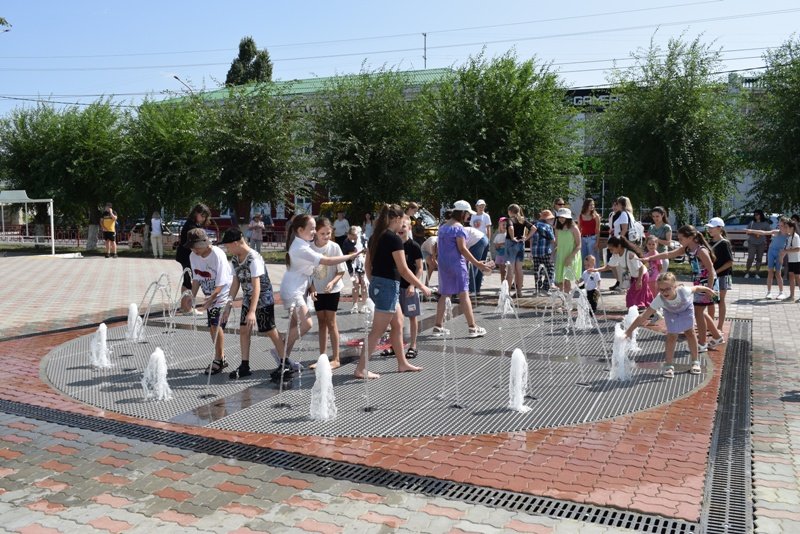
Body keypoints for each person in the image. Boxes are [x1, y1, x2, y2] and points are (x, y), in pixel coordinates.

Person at [355, 204, 431, 379]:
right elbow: (403, 269)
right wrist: (422, 286)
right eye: (403, 220)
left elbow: (369, 265)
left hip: (381, 285)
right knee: (377, 331)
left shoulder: (376, 236)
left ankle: (402, 363)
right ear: (396, 219)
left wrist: (374, 281)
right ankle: (360, 369)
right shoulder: (394, 239)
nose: (403, 225)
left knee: (397, 323)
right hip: (388, 287)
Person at [280, 214, 362, 374]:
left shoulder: (312, 245)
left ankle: (286, 358)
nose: (316, 233)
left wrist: (329, 283)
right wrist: (351, 256)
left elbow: (336, 268)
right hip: (303, 290)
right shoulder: (304, 247)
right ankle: (284, 350)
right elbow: (323, 263)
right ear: (302, 230)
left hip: (319, 290)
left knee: (324, 323)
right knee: (313, 324)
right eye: (314, 230)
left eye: (327, 233)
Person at [218, 228, 286, 379]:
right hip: (249, 298)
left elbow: (257, 287)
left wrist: (252, 311)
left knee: (269, 330)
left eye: (228, 245)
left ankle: (285, 364)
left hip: (263, 298)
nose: (227, 249)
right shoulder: (235, 259)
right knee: (244, 330)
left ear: (236, 243)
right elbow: (235, 284)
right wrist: (228, 306)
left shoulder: (253, 258)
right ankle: (244, 365)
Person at [644, 225, 725, 351]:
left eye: (681, 238)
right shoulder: (688, 249)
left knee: (698, 312)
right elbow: (669, 254)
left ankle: (702, 343)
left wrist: (709, 289)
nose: (679, 241)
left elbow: (711, 271)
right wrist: (649, 258)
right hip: (699, 283)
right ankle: (716, 336)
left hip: (707, 284)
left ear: (691, 237)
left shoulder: (701, 251)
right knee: (700, 312)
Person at [625, 272, 718, 378]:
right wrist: (628, 331)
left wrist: (708, 290)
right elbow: (644, 316)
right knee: (672, 335)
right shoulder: (660, 299)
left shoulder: (683, 291)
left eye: (667, 289)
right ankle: (669, 365)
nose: (664, 292)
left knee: (690, 332)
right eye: (661, 290)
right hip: (671, 313)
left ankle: (695, 362)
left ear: (675, 286)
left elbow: (696, 288)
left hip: (686, 309)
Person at [432, 201, 492, 338]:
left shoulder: (442, 228)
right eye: (467, 214)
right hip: (457, 265)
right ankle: (472, 327)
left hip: (443, 264)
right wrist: (478, 263)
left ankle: (438, 326)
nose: (468, 217)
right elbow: (462, 249)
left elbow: (439, 247)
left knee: (444, 294)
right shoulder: (459, 229)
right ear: (462, 213)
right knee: (464, 294)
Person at [186, 228, 233, 375]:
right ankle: (221, 357)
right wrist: (191, 296)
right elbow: (197, 279)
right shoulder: (193, 256)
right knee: (212, 328)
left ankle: (218, 359)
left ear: (206, 243)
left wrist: (211, 299)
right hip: (209, 296)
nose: (194, 249)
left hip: (222, 294)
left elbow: (221, 283)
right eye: (192, 247)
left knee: (216, 324)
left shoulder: (218, 255)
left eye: (196, 246)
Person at [309, 217, 347, 369]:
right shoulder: (309, 248)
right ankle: (323, 358)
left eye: (328, 233)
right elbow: (307, 273)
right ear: (315, 233)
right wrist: (311, 289)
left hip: (332, 289)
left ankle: (336, 358)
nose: (326, 236)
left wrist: (332, 282)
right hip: (317, 290)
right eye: (322, 233)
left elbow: (341, 270)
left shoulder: (334, 247)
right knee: (321, 322)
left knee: (331, 322)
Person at [591, 236, 653, 310]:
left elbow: (641, 267)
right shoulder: (616, 255)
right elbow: (608, 267)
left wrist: (639, 280)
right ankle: (651, 310)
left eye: (612, 249)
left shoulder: (630, 254)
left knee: (631, 295)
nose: (610, 251)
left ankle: (636, 310)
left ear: (619, 246)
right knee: (645, 294)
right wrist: (595, 270)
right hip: (634, 277)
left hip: (642, 275)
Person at [176, 203, 211, 314]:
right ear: (196, 213)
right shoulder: (191, 226)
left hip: (184, 255)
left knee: (187, 280)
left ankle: (184, 307)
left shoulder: (192, 223)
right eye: (203, 215)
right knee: (189, 281)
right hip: (187, 256)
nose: (204, 218)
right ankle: (187, 308)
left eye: (205, 216)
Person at [398, 215, 423, 360]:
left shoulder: (414, 246)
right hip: (396, 286)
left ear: (409, 228)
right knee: (395, 319)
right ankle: (396, 345)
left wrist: (413, 284)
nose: (401, 228)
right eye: (399, 226)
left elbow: (419, 268)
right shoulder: (394, 245)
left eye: (404, 226)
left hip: (409, 288)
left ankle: (413, 345)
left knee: (412, 317)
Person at [746, 217, 790, 299]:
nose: (779, 226)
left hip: (780, 254)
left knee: (778, 273)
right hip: (771, 252)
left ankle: (781, 292)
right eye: (779, 225)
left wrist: (782, 256)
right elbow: (764, 232)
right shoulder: (777, 232)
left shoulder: (789, 235)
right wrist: (751, 231)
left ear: (786, 226)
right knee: (770, 272)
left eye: (781, 225)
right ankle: (769, 292)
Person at [706, 218, 734, 329]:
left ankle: (720, 326)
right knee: (710, 301)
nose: (709, 230)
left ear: (719, 228)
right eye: (709, 227)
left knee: (720, 300)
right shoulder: (709, 242)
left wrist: (715, 272)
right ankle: (710, 325)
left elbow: (730, 262)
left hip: (723, 276)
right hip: (712, 276)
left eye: (712, 227)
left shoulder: (724, 243)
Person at [505, 204, 532, 298]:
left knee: (510, 270)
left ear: (510, 211)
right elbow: (534, 228)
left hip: (511, 244)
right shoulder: (523, 219)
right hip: (521, 244)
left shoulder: (510, 219)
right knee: (519, 270)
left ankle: (507, 292)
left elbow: (510, 228)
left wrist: (512, 237)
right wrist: (527, 238)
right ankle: (519, 292)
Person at [554, 208, 582, 293]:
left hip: (571, 255)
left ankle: (568, 303)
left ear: (568, 218)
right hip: (561, 255)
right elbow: (558, 243)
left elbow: (579, 245)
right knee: (560, 282)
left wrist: (570, 257)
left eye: (563, 217)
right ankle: (563, 303)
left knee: (567, 281)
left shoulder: (573, 228)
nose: (561, 219)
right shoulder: (557, 228)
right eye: (559, 217)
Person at [341, 225, 368, 313]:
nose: (354, 238)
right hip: (352, 266)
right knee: (355, 284)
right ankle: (355, 304)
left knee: (364, 283)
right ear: (349, 235)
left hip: (363, 265)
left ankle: (364, 305)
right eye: (352, 236)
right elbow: (345, 256)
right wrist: (352, 256)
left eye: (356, 236)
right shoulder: (346, 242)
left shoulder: (363, 240)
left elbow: (368, 252)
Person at [531, 210, 556, 292]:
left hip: (535, 252)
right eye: (551, 219)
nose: (552, 220)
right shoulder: (548, 227)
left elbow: (531, 239)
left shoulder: (534, 225)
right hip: (546, 251)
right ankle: (545, 287)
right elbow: (553, 240)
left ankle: (538, 288)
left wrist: (532, 251)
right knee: (550, 269)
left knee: (537, 271)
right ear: (547, 219)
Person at [463, 223, 489, 297]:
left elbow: (462, 250)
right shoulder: (460, 229)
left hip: (477, 241)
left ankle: (471, 290)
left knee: (474, 265)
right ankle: (477, 290)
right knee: (480, 266)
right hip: (484, 238)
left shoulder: (455, 233)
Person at [744, 210, 771, 279]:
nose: (756, 216)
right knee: (750, 258)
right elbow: (747, 231)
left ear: (761, 215)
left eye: (757, 214)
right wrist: (754, 233)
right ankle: (747, 272)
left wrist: (762, 233)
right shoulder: (752, 223)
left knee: (759, 258)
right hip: (752, 242)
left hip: (761, 243)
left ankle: (757, 273)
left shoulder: (765, 223)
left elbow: (769, 232)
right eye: (755, 214)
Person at [778, 218, 800, 303]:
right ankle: (791, 296)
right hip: (791, 261)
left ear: (792, 228)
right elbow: (786, 250)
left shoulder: (796, 237)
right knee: (791, 276)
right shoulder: (789, 237)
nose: (785, 228)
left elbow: (798, 249)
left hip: (797, 261)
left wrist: (785, 251)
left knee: (798, 278)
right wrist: (781, 257)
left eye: (787, 227)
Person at [648, 207, 673, 271]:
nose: (655, 218)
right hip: (651, 255)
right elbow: (648, 241)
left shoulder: (667, 227)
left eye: (657, 216)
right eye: (653, 216)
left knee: (661, 278)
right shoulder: (651, 227)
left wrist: (657, 240)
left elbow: (668, 243)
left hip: (662, 255)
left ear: (662, 215)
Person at [492, 217, 508, 283]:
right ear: (500, 226)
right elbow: (495, 246)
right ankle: (502, 283)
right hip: (500, 254)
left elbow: (508, 243)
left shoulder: (508, 235)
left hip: (506, 254)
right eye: (503, 224)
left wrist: (501, 244)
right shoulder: (498, 235)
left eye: (506, 224)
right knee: (501, 270)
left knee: (505, 270)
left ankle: (506, 283)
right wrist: (498, 246)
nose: (505, 226)